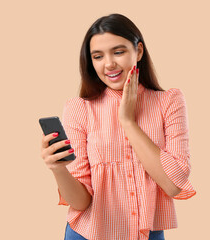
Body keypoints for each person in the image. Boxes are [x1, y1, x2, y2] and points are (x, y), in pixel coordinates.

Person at [40, 13, 196, 240]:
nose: (109, 64)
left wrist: (128, 121)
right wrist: (57, 168)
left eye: (118, 51)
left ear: (139, 51)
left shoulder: (169, 102)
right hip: (87, 234)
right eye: (98, 56)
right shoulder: (79, 109)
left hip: (147, 234)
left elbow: (174, 184)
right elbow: (81, 202)